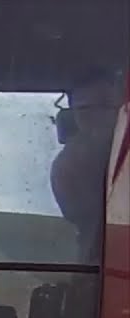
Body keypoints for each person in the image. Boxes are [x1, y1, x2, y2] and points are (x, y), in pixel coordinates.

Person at [50, 67, 123, 263]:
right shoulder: (66, 166)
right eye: (84, 110)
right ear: (74, 115)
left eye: (105, 106)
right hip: (97, 267)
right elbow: (83, 215)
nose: (96, 117)